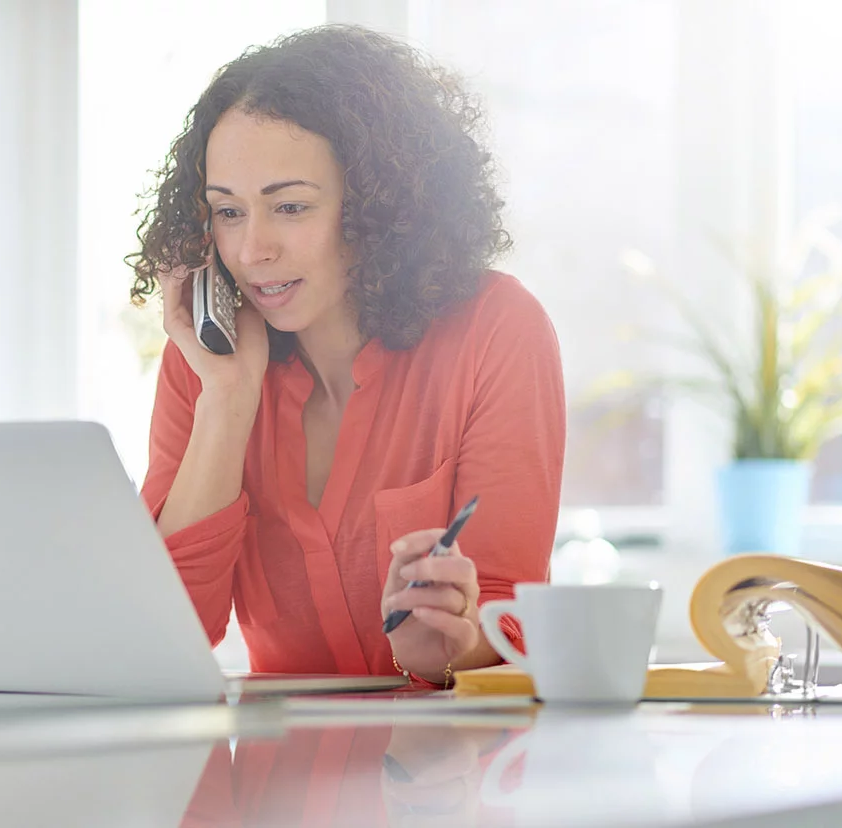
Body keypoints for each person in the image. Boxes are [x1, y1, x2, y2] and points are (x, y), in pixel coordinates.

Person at [131, 25, 564, 687]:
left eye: (291, 207)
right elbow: (159, 638)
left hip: (450, 771)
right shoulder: (204, 363)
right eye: (228, 212)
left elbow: (509, 614)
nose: (252, 251)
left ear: (379, 207)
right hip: (275, 777)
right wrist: (228, 398)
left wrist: (444, 643)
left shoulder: (496, 330)